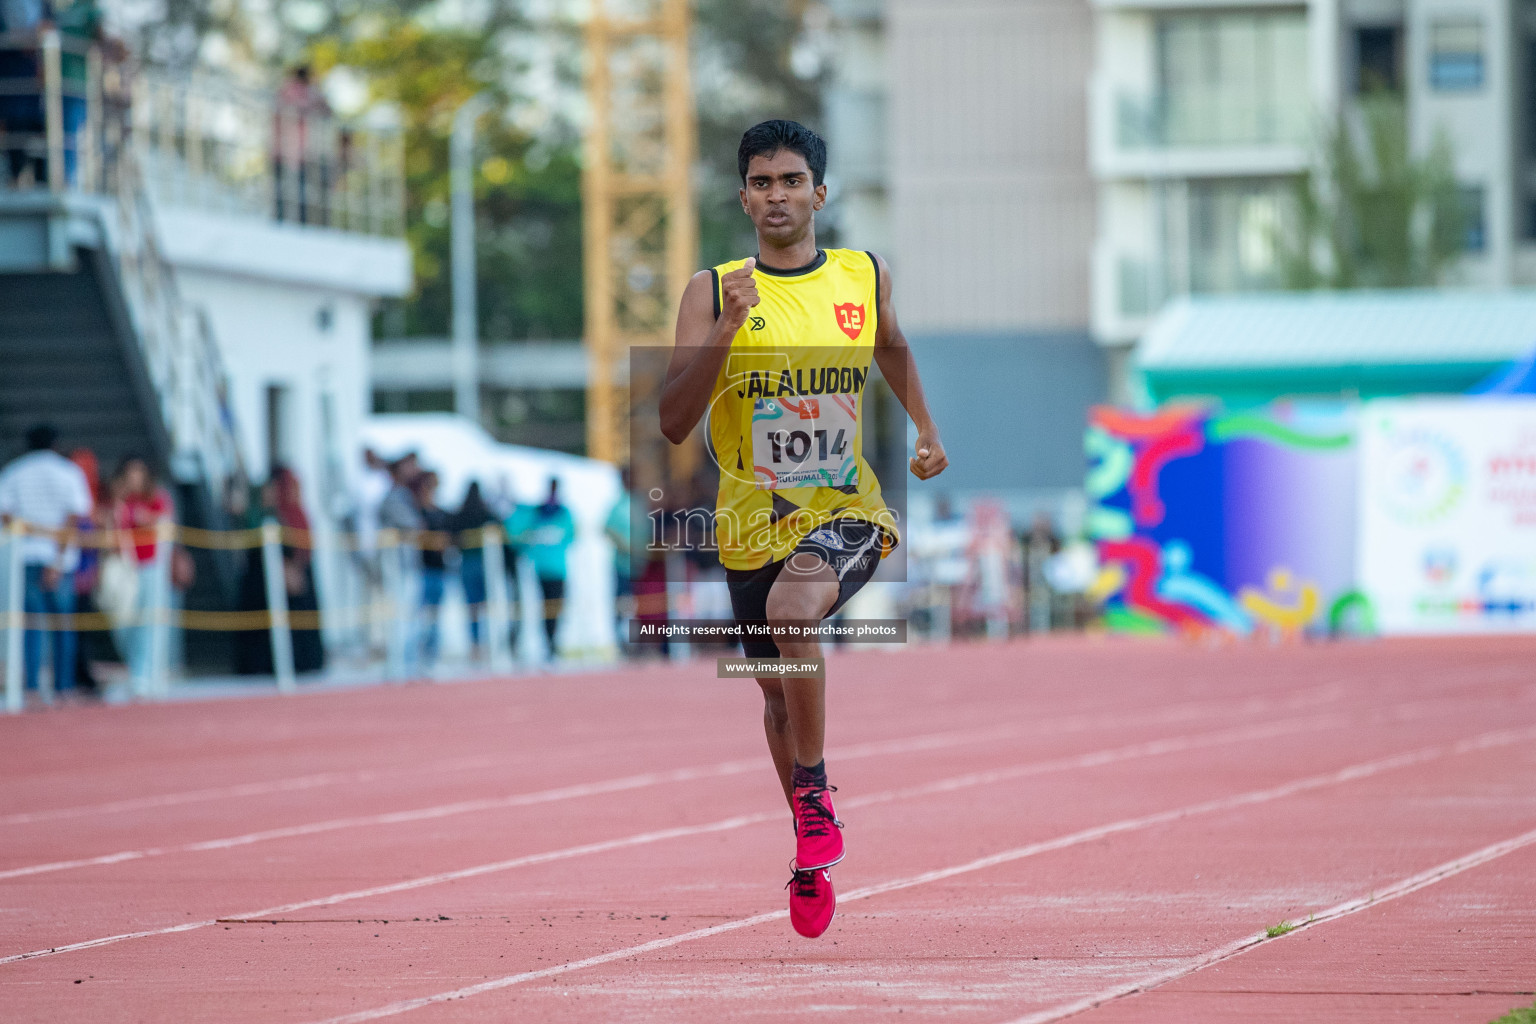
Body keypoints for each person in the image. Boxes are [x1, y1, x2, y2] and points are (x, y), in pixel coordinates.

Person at [659, 120, 948, 938]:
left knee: (794, 617)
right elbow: (675, 423)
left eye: (792, 181)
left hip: (846, 509)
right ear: (743, 194)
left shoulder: (863, 273)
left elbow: (890, 344)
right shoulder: (712, 291)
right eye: (761, 182)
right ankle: (809, 848)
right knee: (777, 699)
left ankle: (816, 791)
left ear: (820, 194)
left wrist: (924, 425)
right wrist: (724, 332)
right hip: (749, 525)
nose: (776, 195)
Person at [0, 424, 94, 697]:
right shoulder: (68, 472)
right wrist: (58, 559)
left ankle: (31, 687)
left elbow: (5, 514)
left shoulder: (15, 471)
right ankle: (63, 687)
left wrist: (28, 529)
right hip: (60, 558)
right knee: (63, 626)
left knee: (32, 625)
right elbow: (76, 516)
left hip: (28, 555)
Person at [108, 454, 171, 692]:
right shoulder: (121, 499)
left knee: (148, 621)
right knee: (123, 621)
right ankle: (136, 667)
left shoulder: (155, 497)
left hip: (150, 566)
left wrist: (146, 519)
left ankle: (143, 674)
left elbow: (165, 523)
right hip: (125, 567)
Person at [508, 478, 574, 657]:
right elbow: (518, 531)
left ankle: (552, 642)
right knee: (548, 608)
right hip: (546, 569)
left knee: (554, 607)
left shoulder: (560, 512)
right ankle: (549, 643)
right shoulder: (542, 512)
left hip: (554, 568)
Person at [451, 481, 500, 659]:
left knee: (472, 607)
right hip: (483, 562)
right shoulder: (484, 512)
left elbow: (452, 532)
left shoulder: (461, 512)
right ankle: (489, 642)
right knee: (485, 604)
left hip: (467, 563)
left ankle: (475, 644)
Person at [412, 470, 449, 670]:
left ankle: (432, 656)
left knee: (435, 616)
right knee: (420, 615)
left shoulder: (440, 513)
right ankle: (418, 655)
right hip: (422, 570)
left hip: (439, 569)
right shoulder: (417, 513)